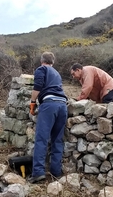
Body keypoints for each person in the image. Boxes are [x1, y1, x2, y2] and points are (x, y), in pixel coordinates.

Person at [28, 52, 68, 183]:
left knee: (41, 139)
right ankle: (56, 172)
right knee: (57, 139)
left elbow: (38, 86)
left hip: (49, 105)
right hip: (62, 105)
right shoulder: (57, 73)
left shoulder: (41, 69)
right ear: (53, 62)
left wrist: (33, 102)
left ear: (41, 61)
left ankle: (38, 172)